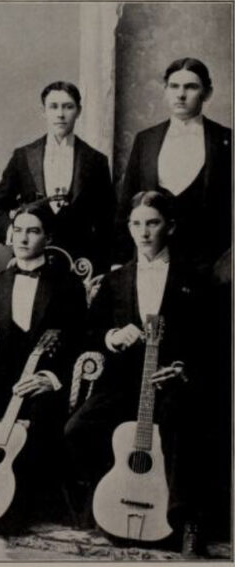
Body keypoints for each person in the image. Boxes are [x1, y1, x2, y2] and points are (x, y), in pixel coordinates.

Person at [64, 190, 207, 555]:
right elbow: (90, 332)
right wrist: (112, 337)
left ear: (169, 227)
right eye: (136, 224)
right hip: (124, 380)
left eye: (152, 223)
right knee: (77, 429)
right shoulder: (116, 280)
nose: (143, 232)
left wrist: (182, 368)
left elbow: (212, 337)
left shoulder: (194, 277)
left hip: (173, 380)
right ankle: (109, 500)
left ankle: (186, 521)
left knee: (180, 421)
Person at [0, 200, 87, 524]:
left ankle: (15, 506)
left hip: (43, 381)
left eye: (33, 231)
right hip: (2, 379)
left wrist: (51, 379)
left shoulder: (67, 285)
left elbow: (81, 339)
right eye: (18, 230)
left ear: (48, 237)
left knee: (42, 417)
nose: (23, 238)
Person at [116, 58, 231, 274]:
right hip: (152, 263)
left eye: (191, 87)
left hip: (208, 266)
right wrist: (120, 262)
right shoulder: (146, 140)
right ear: (165, 91)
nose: (181, 94)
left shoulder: (226, 140)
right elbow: (126, 206)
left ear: (207, 93)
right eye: (174, 86)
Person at [0, 82, 114, 274]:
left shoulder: (96, 161)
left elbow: (108, 220)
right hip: (30, 264)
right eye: (53, 107)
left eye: (68, 107)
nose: (60, 114)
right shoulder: (23, 156)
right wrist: (15, 233)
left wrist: (101, 266)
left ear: (79, 111)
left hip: (79, 266)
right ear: (43, 111)